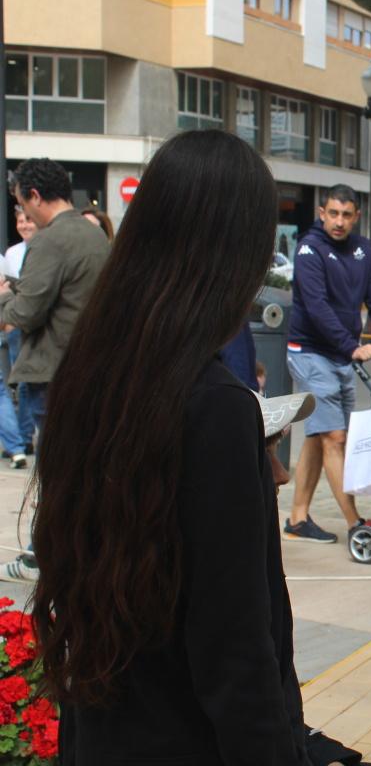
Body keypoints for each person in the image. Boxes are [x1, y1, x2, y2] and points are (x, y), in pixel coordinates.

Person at [29, 129, 311, 763]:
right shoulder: (213, 405)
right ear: (235, 255)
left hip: (102, 730)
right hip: (189, 738)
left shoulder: (92, 373)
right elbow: (235, 646)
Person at [285, 185, 371, 545]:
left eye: (346, 214)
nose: (338, 221)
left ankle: (298, 517)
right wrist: (353, 347)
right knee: (335, 436)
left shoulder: (362, 249)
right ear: (322, 213)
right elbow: (317, 307)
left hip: (339, 355)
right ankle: (355, 523)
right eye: (332, 213)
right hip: (310, 351)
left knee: (321, 436)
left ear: (356, 216)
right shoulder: (309, 249)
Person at [0, 158, 109, 439]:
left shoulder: (49, 240)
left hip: (53, 374)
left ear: (34, 195)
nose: (24, 214)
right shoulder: (95, 236)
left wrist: (3, 297)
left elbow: (25, 313)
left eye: (22, 204)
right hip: (89, 368)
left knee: (56, 470)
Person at [4, 208, 37, 457]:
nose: (24, 225)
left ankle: (21, 440)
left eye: (28, 220)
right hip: (15, 326)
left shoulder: (46, 247)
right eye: (20, 221)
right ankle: (23, 439)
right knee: (21, 384)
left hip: (33, 324)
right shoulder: (13, 253)